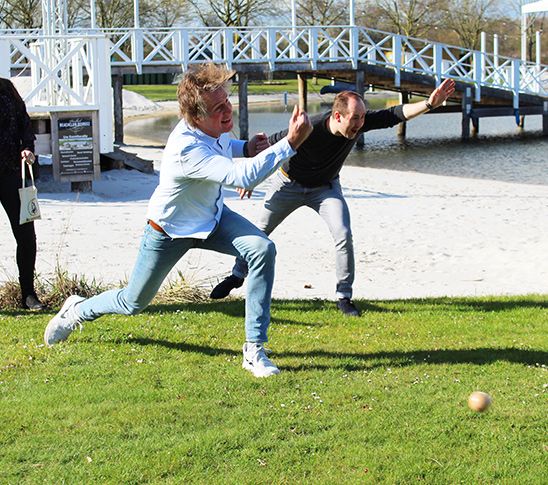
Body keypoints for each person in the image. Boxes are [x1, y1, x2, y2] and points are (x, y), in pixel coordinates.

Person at [44, 63, 312, 378]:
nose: (227, 111)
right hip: (169, 231)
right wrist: (291, 143)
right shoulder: (187, 148)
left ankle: (254, 350)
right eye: (218, 108)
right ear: (195, 117)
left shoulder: (213, 127)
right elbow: (243, 175)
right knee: (133, 301)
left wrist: (247, 147)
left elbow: (226, 147)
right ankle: (76, 309)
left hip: (212, 219)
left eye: (227, 102)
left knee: (261, 249)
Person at [210, 79, 456, 316]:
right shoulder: (311, 127)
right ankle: (237, 275)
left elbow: (395, 114)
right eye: (355, 118)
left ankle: (344, 297)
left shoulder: (361, 122)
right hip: (288, 184)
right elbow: (273, 146)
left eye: (362, 117)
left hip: (326, 188)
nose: (360, 124)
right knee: (258, 231)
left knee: (343, 234)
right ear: (338, 116)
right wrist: (250, 176)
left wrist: (430, 104)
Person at [0, 78, 45, 311]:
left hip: (12, 172)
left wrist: (27, 147)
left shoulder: (6, 87)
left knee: (26, 235)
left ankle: (28, 294)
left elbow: (23, 122)